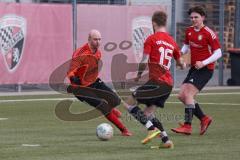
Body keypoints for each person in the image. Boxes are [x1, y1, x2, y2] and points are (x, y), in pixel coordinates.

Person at [122, 11, 186, 148]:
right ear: (165, 23)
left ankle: (152, 129)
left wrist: (139, 74)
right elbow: (181, 63)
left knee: (128, 104)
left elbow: (144, 60)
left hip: (156, 82)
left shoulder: (151, 39)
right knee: (148, 113)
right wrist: (183, 64)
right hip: (168, 85)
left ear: (154, 23)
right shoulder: (172, 41)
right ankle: (166, 140)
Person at [67, 29, 132, 136]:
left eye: (99, 39)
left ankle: (111, 110)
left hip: (94, 82)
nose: (98, 42)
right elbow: (71, 70)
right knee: (103, 106)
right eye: (95, 39)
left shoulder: (98, 53)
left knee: (115, 100)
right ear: (89, 39)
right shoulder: (80, 53)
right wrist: (73, 78)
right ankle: (123, 130)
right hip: (80, 88)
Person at [171, 6, 222, 135]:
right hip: (194, 68)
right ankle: (204, 118)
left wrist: (204, 62)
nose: (193, 19)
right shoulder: (189, 31)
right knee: (181, 95)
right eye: (192, 17)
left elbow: (219, 53)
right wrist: (180, 54)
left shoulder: (209, 33)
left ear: (203, 17)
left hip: (206, 69)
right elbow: (187, 45)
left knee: (188, 94)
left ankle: (187, 126)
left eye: (196, 17)